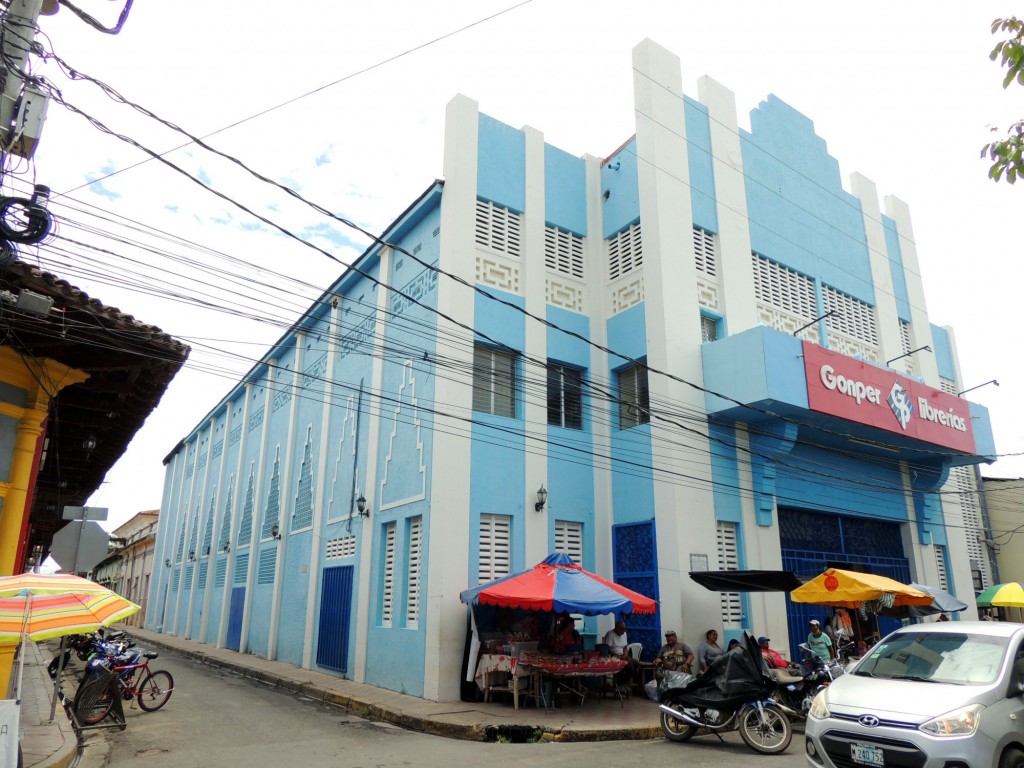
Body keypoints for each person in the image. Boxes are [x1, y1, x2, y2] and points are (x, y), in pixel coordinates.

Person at [602, 619, 633, 685]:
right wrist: (618, 656)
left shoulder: (624, 634)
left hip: (622, 656)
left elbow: (625, 647)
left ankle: (623, 684)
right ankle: (618, 685)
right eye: (623, 629)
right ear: (617, 628)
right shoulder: (610, 634)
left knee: (631, 668)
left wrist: (625, 655)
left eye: (625, 629)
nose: (625, 631)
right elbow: (607, 649)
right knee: (620, 669)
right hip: (613, 657)